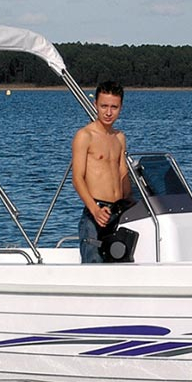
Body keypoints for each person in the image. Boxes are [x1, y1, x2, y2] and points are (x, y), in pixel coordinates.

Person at [72, 81, 132, 263]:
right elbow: (77, 178)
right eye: (104, 106)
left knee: (120, 266)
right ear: (95, 105)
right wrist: (95, 210)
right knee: (94, 268)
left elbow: (123, 174)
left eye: (114, 107)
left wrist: (131, 203)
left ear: (121, 108)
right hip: (95, 213)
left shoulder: (119, 138)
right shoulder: (85, 136)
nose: (108, 112)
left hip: (118, 212)